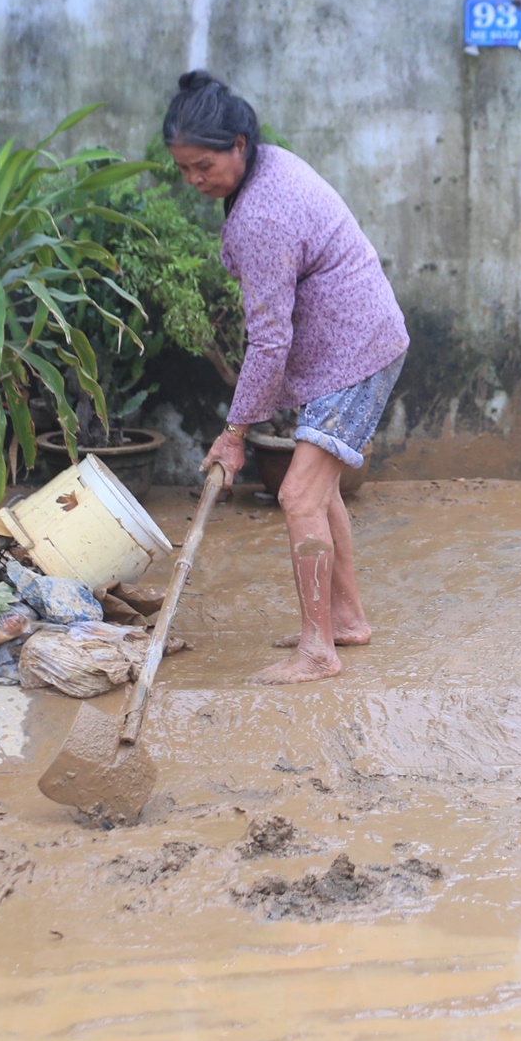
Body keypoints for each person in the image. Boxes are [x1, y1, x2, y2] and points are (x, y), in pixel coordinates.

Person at [167, 71, 409, 685]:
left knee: (298, 494)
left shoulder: (262, 214)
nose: (195, 180)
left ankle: (317, 649)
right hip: (350, 343)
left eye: (203, 166)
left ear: (240, 145)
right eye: (185, 169)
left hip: (355, 352)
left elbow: (270, 340)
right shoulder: (269, 166)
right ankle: (346, 620)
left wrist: (236, 430)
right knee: (319, 492)